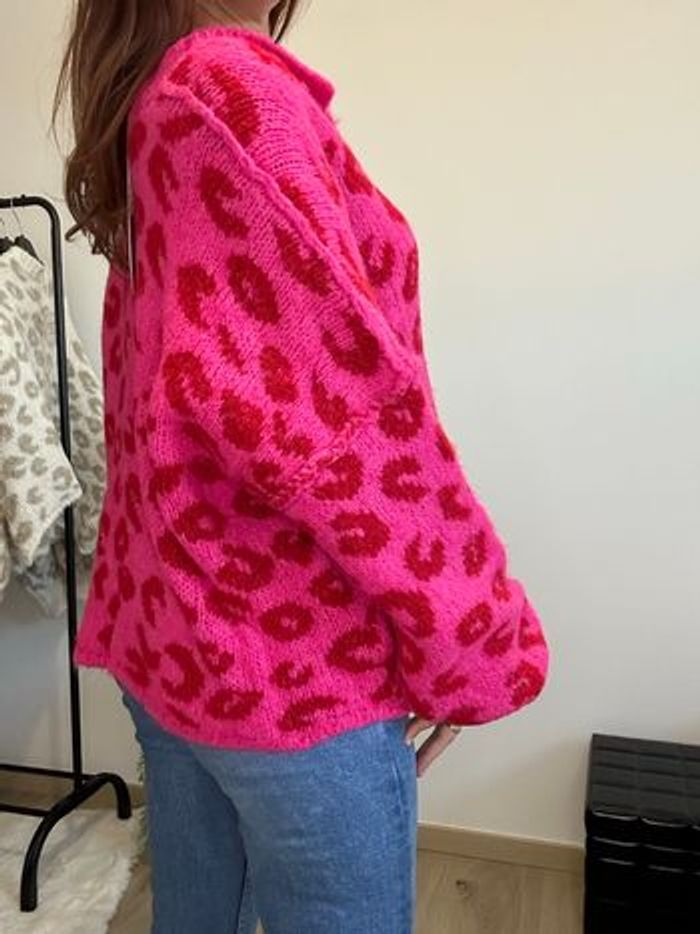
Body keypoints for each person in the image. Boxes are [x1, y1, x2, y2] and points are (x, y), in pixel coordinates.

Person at [53, 2, 550, 931]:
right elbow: (336, 423)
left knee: (197, 915)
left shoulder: (159, 97)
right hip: (293, 668)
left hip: (181, 639)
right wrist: (473, 629)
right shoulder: (225, 94)